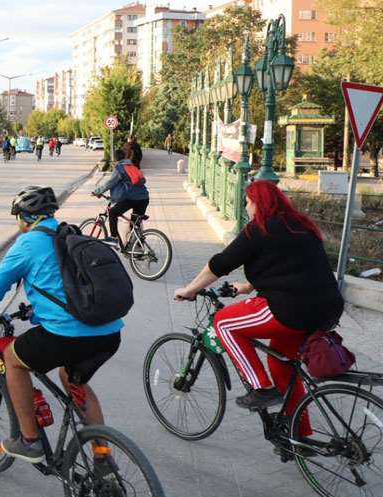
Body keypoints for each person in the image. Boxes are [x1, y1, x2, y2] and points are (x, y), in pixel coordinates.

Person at [0, 186, 123, 463]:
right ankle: (102, 453)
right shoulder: (68, 233)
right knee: (74, 380)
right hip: (108, 332)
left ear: (23, 219)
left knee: (13, 360)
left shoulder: (28, 243)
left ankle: (30, 441)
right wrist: (38, 314)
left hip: (68, 336)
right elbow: (68, 288)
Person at [174, 181, 344, 431]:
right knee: (281, 365)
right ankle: (300, 435)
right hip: (326, 308)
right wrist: (248, 286)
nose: (247, 207)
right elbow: (288, 264)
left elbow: (220, 264)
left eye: (248, 202)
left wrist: (190, 289)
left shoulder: (259, 229)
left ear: (258, 203)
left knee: (224, 322)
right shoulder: (299, 225)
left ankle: (261, 388)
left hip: (291, 310)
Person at [92, 149, 149, 246]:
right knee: (135, 224)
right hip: (144, 198)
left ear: (114, 160)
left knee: (112, 213)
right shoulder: (131, 166)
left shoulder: (119, 168)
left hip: (132, 198)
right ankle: (138, 247)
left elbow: (109, 183)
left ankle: (114, 238)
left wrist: (97, 191)